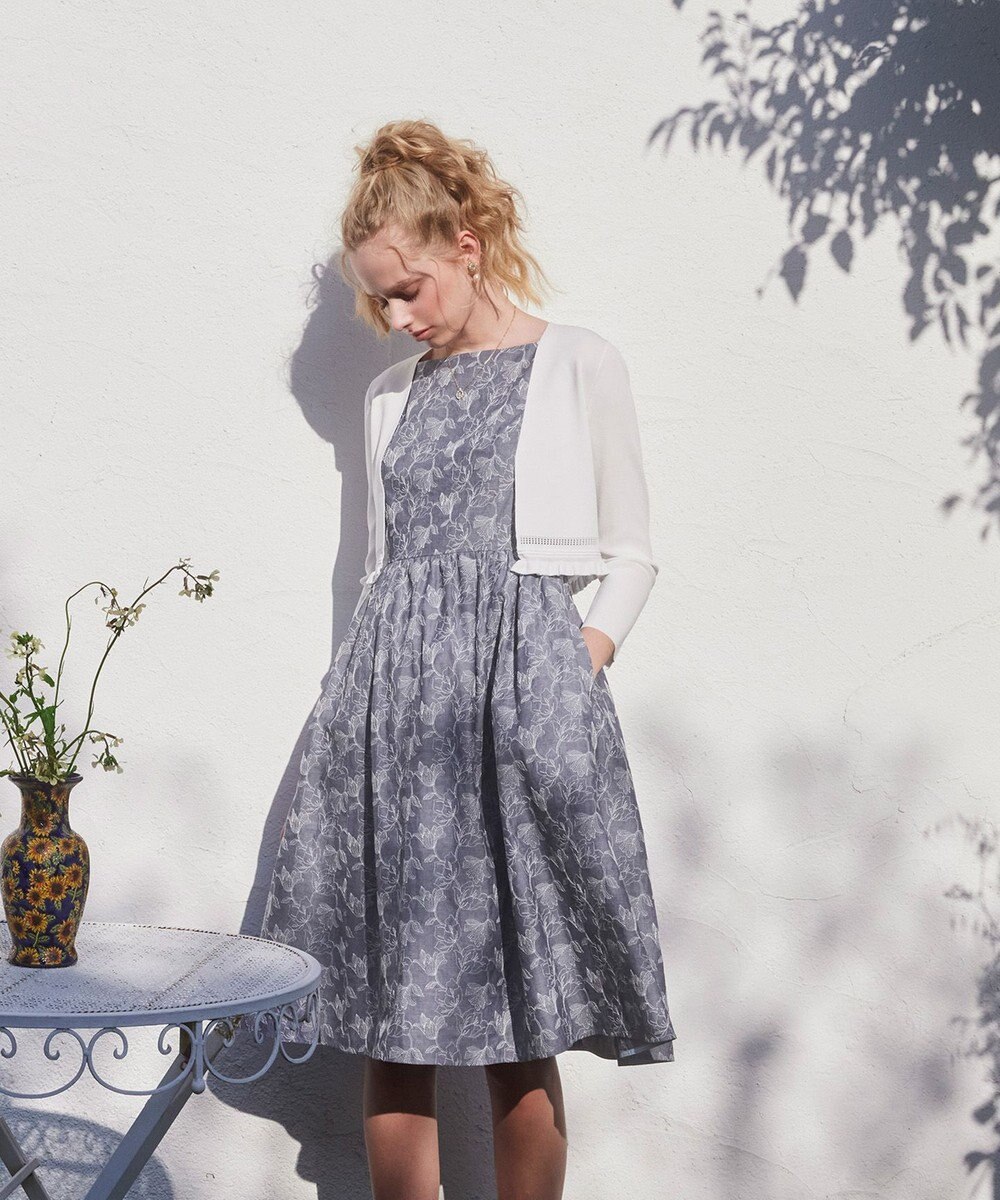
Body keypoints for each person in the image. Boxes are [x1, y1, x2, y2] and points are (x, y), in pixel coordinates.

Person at [260, 117, 676, 1200]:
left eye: (408, 291)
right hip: (395, 715)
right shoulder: (388, 396)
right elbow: (379, 572)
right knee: (391, 1015)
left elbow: (631, 554)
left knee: (518, 1013)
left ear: (468, 246)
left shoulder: (579, 362)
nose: (399, 319)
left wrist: (571, 665)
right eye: (380, 303)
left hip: (518, 703)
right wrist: (351, 705)